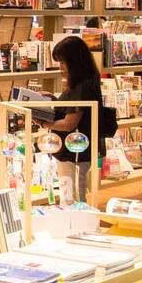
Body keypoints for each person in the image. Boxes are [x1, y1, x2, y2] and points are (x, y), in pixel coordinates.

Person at [46, 35, 104, 203]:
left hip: (75, 151)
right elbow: (70, 108)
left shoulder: (83, 87)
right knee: (69, 193)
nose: (61, 68)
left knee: (73, 196)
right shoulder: (80, 84)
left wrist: (44, 122)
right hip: (70, 151)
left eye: (63, 63)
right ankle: (70, 224)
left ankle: (75, 226)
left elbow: (69, 123)